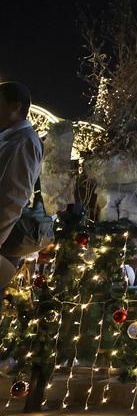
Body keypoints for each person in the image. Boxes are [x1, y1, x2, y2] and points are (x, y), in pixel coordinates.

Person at [0, 81, 44, 289]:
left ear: (15, 106)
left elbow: (13, 196)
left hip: (4, 241)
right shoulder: (12, 137)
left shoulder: (23, 140)